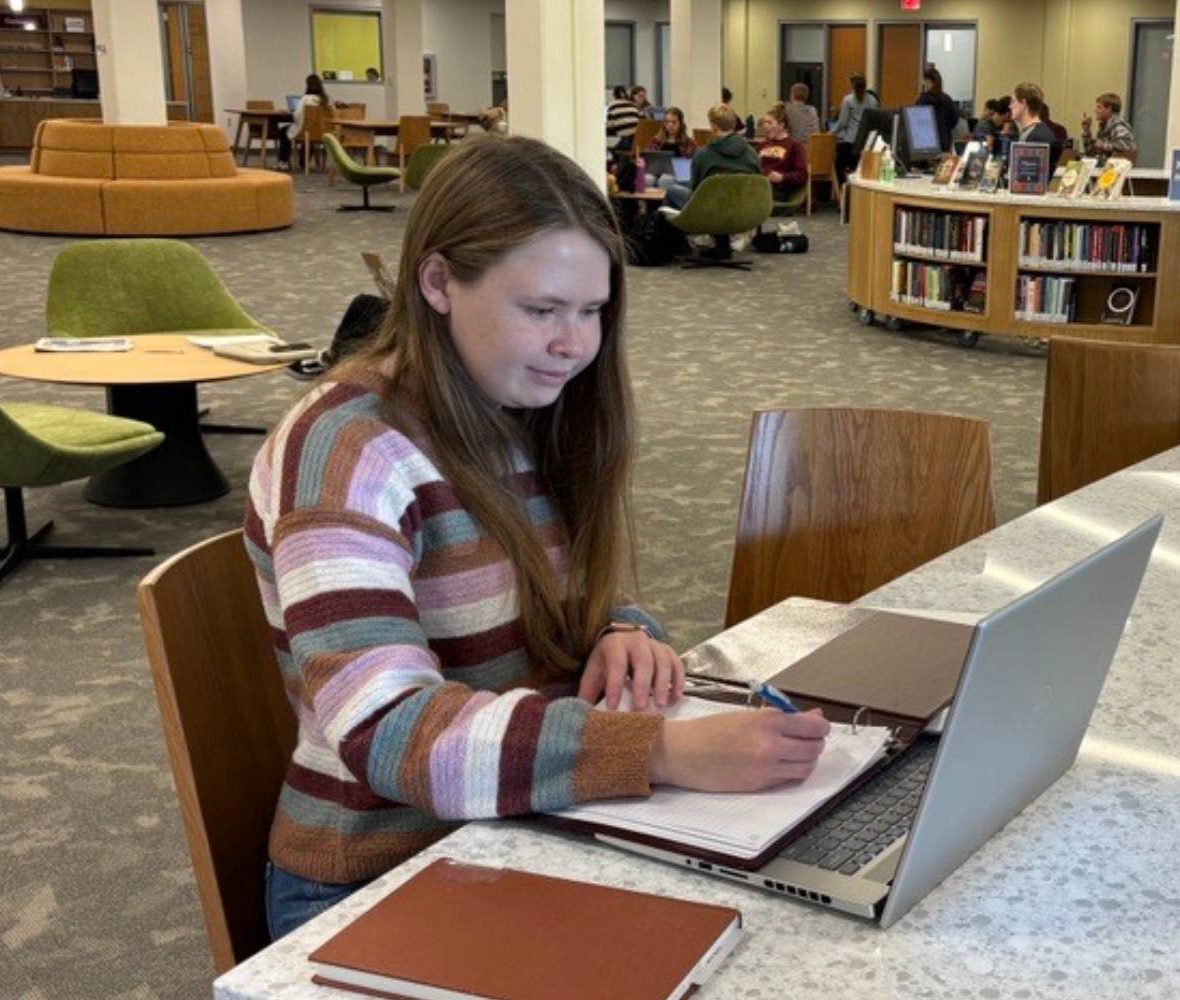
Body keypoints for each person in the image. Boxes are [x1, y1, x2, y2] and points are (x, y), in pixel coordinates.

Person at [250, 135, 831, 941]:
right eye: (542, 310)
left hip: (527, 826)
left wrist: (622, 628)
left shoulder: (522, 405)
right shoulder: (345, 451)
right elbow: (387, 732)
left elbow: (559, 579)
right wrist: (660, 751)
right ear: (439, 282)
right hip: (382, 869)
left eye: (591, 311)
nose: (576, 344)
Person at [662, 103, 758, 210]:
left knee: (671, 190)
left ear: (714, 127)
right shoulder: (752, 153)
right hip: (744, 210)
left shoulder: (703, 154)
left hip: (710, 211)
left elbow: (694, 190)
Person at [828, 72, 880, 181]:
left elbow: (842, 123)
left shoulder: (848, 100)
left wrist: (831, 132)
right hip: (867, 141)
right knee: (860, 168)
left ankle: (842, 191)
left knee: (838, 166)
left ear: (851, 84)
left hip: (851, 142)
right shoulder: (873, 100)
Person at [755, 102, 809, 201]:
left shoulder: (795, 146)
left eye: (770, 123)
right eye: (765, 122)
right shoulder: (761, 145)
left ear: (781, 125)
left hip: (779, 188)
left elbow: (802, 175)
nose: (765, 126)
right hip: (760, 184)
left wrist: (782, 177)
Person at [277, 74, 328, 169]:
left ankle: (283, 162)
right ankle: (304, 163)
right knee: (310, 135)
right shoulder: (326, 99)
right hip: (322, 132)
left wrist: (290, 113)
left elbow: (297, 116)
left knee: (283, 131)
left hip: (305, 131)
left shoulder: (306, 99)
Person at [1011, 82, 1061, 163]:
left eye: (1013, 101)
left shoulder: (1038, 137)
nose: (1010, 106)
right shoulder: (1031, 132)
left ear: (1023, 104)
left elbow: (1029, 174)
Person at [1082, 92, 1136, 159]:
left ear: (1109, 109)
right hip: (1105, 167)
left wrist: (1102, 145)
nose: (1095, 110)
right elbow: (1090, 153)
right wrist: (1087, 131)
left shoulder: (1118, 125)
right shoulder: (1104, 126)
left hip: (1117, 167)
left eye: (1099, 107)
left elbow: (1125, 147)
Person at [916, 67, 961, 148]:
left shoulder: (923, 100)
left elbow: (916, 121)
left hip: (927, 143)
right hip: (945, 142)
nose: (923, 84)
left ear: (929, 82)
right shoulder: (947, 99)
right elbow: (955, 120)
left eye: (925, 81)